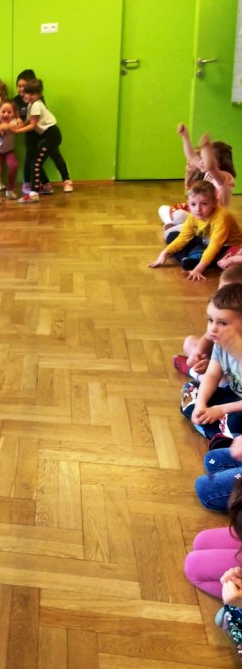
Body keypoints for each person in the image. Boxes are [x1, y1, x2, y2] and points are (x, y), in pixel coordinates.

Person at [190, 284, 242, 508]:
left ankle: (224, 431)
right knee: (212, 460)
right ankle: (225, 432)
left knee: (204, 489)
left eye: (222, 323)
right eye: (210, 320)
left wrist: (221, 410)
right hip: (234, 398)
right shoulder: (223, 344)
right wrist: (201, 405)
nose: (212, 329)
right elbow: (212, 374)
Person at [149, 180, 242, 283]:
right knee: (172, 235)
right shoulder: (193, 216)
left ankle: (194, 260)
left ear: (215, 202)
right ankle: (188, 259)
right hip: (205, 241)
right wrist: (164, 253)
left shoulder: (222, 217)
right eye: (193, 204)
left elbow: (215, 246)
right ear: (188, 203)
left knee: (231, 265)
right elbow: (183, 238)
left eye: (204, 204)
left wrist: (198, 269)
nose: (198, 209)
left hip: (226, 247)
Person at [159, 126, 235, 240]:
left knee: (169, 234)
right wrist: (185, 136)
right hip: (200, 217)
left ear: (220, 161)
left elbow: (210, 166)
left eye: (205, 157)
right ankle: (174, 225)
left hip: (211, 224)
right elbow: (191, 156)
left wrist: (206, 147)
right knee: (168, 211)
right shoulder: (207, 172)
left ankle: (190, 233)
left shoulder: (225, 178)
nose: (201, 161)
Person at [8, 78, 73, 202]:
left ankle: (34, 193)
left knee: (36, 163)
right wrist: (20, 125)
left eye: (32, 94)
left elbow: (32, 126)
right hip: (48, 136)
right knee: (35, 162)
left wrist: (17, 131)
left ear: (39, 94)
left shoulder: (36, 105)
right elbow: (29, 120)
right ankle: (37, 191)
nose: (28, 96)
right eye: (27, 93)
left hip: (52, 135)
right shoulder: (31, 105)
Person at [174, 266, 242, 378]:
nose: (222, 299)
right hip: (220, 360)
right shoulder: (219, 314)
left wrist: (216, 368)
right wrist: (198, 354)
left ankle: (194, 373)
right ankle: (199, 369)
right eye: (220, 292)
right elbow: (207, 337)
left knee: (220, 377)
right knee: (190, 342)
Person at [0, 99, 20, 200]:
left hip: (8, 151)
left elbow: (11, 126)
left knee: (14, 166)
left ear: (14, 114)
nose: (6, 114)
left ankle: (10, 190)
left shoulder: (14, 122)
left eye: (9, 112)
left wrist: (3, 126)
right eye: (3, 111)